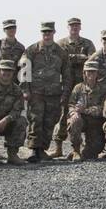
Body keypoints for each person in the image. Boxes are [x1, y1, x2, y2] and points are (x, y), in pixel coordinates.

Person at [52, 17, 96, 158]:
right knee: (63, 114)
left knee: (84, 112)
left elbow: (91, 60)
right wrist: (80, 57)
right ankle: (58, 147)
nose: (74, 28)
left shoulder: (88, 43)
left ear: (80, 27)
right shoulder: (61, 43)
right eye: (72, 26)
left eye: (77, 26)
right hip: (65, 83)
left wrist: (71, 57)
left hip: (84, 85)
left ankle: (82, 147)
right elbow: (58, 60)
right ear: (68, 27)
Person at [22, 21, 65, 163]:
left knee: (49, 121)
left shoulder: (60, 52)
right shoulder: (32, 50)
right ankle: (34, 150)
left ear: (54, 33)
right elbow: (24, 71)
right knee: (35, 120)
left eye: (49, 32)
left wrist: (65, 93)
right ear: (42, 33)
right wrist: (25, 90)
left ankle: (43, 149)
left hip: (54, 93)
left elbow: (67, 74)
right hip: (36, 92)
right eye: (44, 32)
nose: (47, 35)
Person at [65, 61, 106, 161]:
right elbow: (71, 104)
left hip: (96, 122)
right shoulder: (78, 88)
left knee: (91, 153)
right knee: (74, 121)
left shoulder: (104, 88)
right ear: (84, 73)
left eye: (93, 72)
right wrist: (74, 113)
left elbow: (104, 108)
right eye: (88, 72)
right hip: (81, 120)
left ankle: (92, 151)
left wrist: (86, 110)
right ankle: (76, 151)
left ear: (97, 73)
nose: (91, 74)